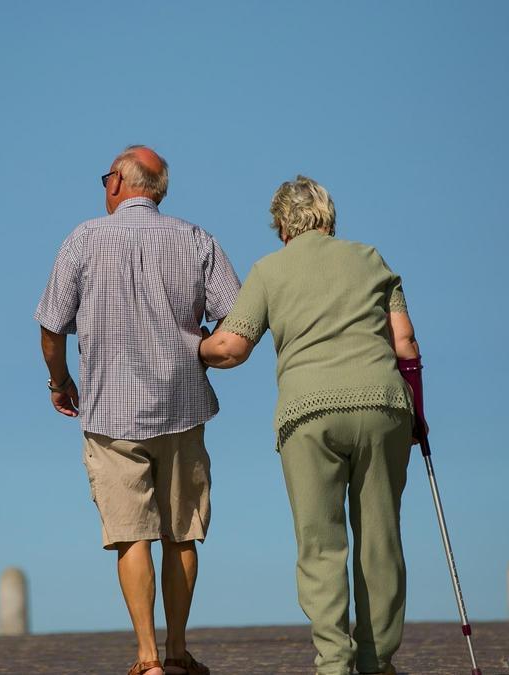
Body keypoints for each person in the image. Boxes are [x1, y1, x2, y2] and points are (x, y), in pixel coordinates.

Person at [199, 176, 426, 675]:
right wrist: (418, 415)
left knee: (320, 544)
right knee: (381, 538)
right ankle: (376, 659)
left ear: (282, 226)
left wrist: (196, 347)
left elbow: (232, 348)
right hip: (382, 404)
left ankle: (332, 663)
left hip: (308, 414)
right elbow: (405, 343)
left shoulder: (269, 270)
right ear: (329, 217)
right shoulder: (371, 258)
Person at [34, 145, 240, 675]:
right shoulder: (197, 240)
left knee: (131, 535)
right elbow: (238, 320)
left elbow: (51, 325)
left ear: (119, 184)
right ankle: (176, 650)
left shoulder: (83, 238)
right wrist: (201, 352)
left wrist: (60, 383)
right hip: (182, 406)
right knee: (182, 533)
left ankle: (147, 658)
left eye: (105, 177)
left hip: (109, 414)